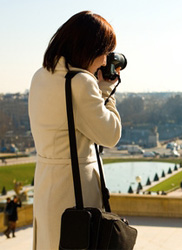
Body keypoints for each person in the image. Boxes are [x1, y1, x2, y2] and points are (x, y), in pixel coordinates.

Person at [29, 11, 122, 250]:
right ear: (89, 48)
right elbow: (110, 134)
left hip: (47, 184)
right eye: (104, 52)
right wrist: (105, 92)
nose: (105, 61)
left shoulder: (40, 76)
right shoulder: (81, 82)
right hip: (76, 188)